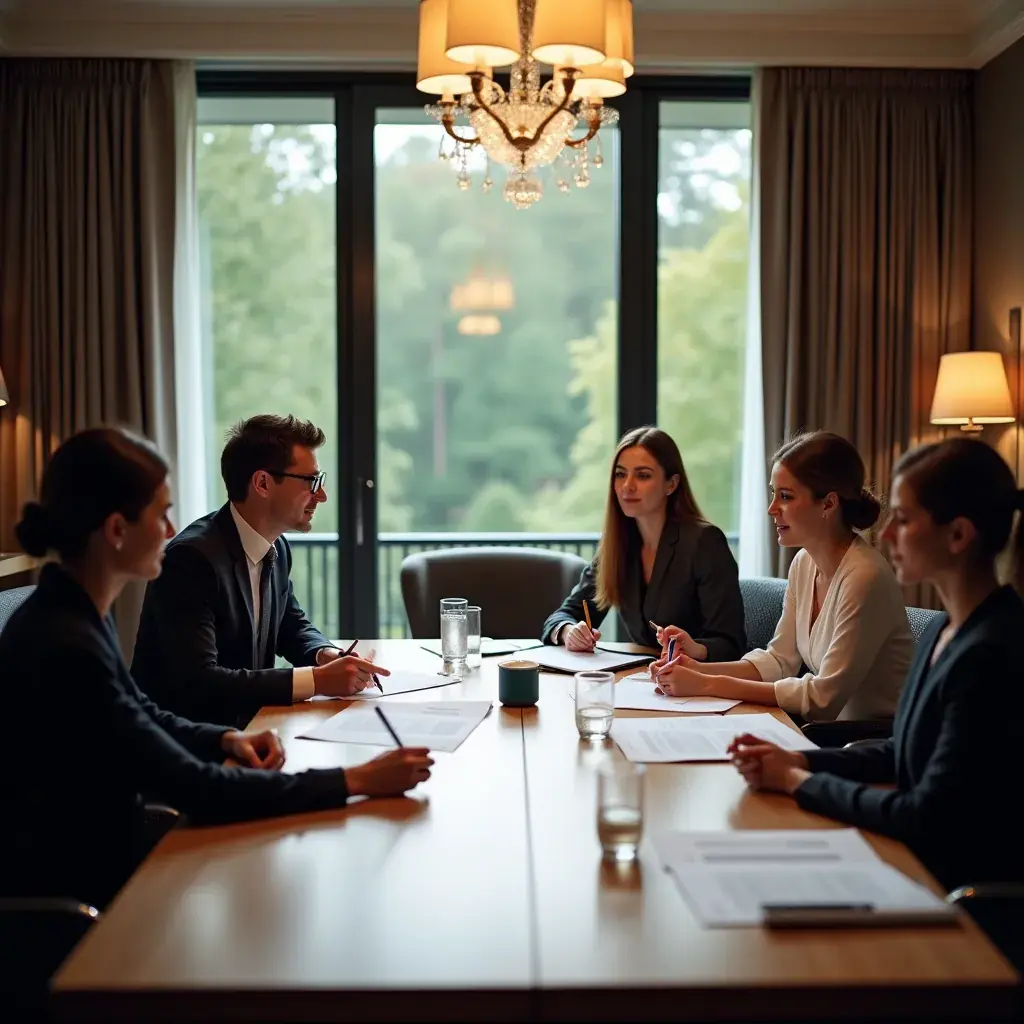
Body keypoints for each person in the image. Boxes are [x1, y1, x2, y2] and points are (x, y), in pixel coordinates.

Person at [1, 427, 432, 910]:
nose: (170, 531)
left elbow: (140, 711)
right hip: (92, 891)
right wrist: (355, 781)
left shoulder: (71, 613)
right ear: (117, 530)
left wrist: (226, 740)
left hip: (112, 856)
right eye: (161, 514)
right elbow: (194, 782)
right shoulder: (66, 641)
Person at [728, 437, 1024, 890]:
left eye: (903, 521)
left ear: (959, 535)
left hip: (952, 888)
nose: (883, 535)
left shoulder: (991, 653)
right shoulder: (947, 631)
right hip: (915, 859)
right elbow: (897, 752)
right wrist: (800, 762)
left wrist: (796, 781)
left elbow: (924, 815)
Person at [133, 414, 377, 729]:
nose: (322, 495)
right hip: (186, 746)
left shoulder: (277, 546)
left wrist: (325, 654)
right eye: (311, 482)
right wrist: (316, 681)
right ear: (262, 483)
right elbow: (200, 680)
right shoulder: (190, 559)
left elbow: (291, 625)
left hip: (251, 728)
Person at [653, 431, 913, 722]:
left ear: (828, 503)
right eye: (773, 493)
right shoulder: (804, 563)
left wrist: (709, 684)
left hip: (867, 743)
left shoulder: (866, 577)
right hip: (827, 733)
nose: (771, 508)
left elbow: (821, 699)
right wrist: (694, 669)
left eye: (785, 496)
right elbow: (779, 660)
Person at [541, 426, 746, 658]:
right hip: (642, 682)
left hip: (697, 685)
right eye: (620, 474)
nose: (627, 485)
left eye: (643, 475)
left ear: (671, 484)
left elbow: (731, 645)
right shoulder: (618, 544)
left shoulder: (705, 543)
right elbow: (561, 616)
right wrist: (569, 631)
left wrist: (693, 648)